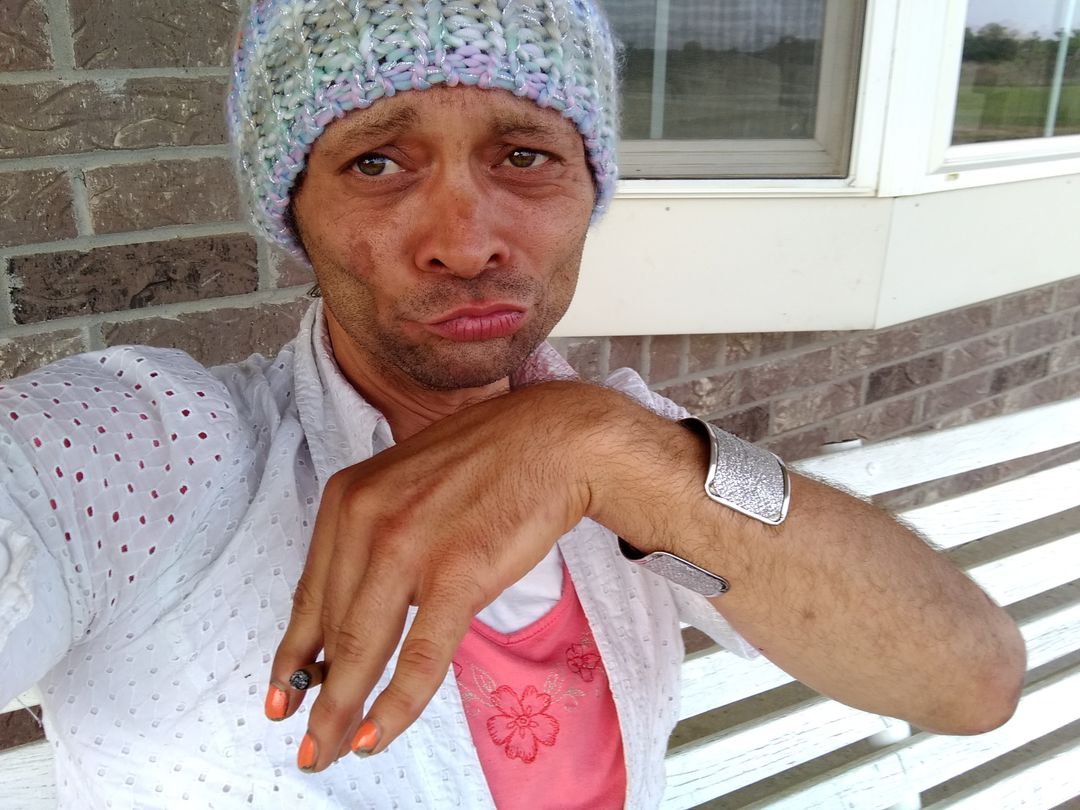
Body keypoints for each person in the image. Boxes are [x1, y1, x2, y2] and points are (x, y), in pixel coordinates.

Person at [0, 1, 1024, 808]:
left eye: (524, 155)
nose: (466, 241)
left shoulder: (624, 450)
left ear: (589, 191)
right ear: (294, 215)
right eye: (376, 161)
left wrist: (598, 446)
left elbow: (970, 679)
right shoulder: (159, 453)